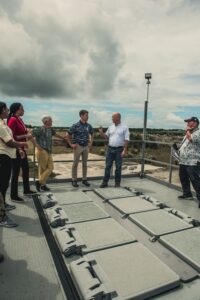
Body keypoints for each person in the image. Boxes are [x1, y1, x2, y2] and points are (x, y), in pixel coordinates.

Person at [0, 101, 28, 228]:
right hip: (3, 157)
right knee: (1, 185)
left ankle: (3, 205)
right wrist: (22, 144)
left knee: (4, 184)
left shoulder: (3, 123)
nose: (7, 111)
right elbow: (10, 142)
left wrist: (19, 149)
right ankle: (1, 217)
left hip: (7, 156)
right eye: (5, 109)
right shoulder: (1, 125)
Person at [7, 103, 37, 203]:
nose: (24, 110)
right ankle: (14, 195)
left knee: (26, 169)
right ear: (17, 110)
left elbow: (22, 133)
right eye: (22, 109)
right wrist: (26, 136)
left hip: (21, 148)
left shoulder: (20, 119)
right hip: (16, 149)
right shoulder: (13, 119)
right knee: (15, 172)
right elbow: (11, 136)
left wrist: (26, 134)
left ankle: (26, 190)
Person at [33, 115, 68, 192]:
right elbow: (30, 136)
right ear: (46, 122)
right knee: (43, 169)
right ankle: (43, 185)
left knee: (50, 167)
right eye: (51, 120)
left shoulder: (50, 129)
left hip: (48, 151)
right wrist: (37, 145)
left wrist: (63, 138)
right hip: (41, 150)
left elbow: (56, 135)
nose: (52, 122)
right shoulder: (39, 129)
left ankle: (39, 182)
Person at [98, 112, 129, 188]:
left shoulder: (125, 127)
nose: (112, 119)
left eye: (113, 117)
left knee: (118, 167)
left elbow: (127, 139)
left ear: (118, 118)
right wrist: (101, 133)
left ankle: (117, 183)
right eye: (112, 117)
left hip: (119, 150)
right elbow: (106, 137)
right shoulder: (110, 127)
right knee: (108, 166)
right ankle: (105, 182)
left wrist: (124, 150)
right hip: (110, 149)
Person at [177, 116, 200, 208]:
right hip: (183, 161)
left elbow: (191, 139)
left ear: (194, 123)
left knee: (195, 181)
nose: (187, 124)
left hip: (193, 161)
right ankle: (187, 194)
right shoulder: (189, 132)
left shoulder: (198, 132)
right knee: (183, 178)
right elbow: (185, 143)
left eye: (188, 122)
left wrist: (187, 130)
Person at [68, 110, 94, 187]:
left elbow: (92, 134)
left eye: (87, 115)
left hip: (86, 147)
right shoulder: (75, 125)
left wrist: (90, 143)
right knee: (75, 164)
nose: (87, 117)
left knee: (85, 164)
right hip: (78, 146)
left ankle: (84, 179)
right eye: (86, 115)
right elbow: (68, 134)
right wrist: (71, 144)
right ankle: (74, 180)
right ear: (81, 116)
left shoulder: (89, 126)